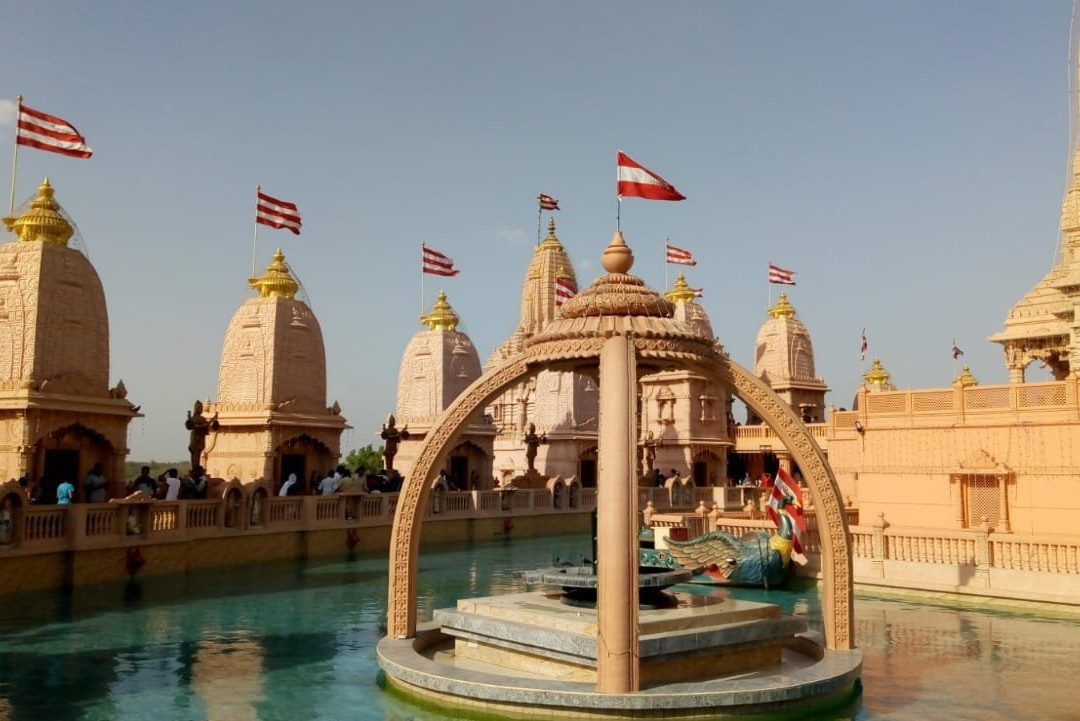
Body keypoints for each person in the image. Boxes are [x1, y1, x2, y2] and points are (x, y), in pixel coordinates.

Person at [185, 400, 220, 470]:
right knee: (195, 453)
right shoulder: (197, 419)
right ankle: (195, 468)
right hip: (196, 437)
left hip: (198, 437)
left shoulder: (199, 419)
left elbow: (206, 426)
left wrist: (213, 419)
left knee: (196, 453)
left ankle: (195, 467)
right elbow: (193, 426)